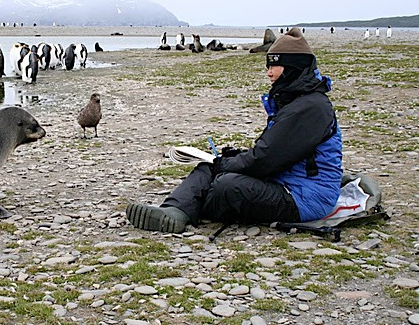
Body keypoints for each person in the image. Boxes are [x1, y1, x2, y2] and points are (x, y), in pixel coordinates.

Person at [126, 27, 343, 234]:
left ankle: (190, 208)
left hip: (306, 198)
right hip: (286, 183)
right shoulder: (297, 102)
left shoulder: (310, 108)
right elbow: (271, 152)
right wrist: (226, 160)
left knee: (228, 185)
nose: (268, 74)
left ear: (291, 67)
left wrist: (226, 165)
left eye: (273, 66)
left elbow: (266, 160)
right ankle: (174, 211)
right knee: (208, 168)